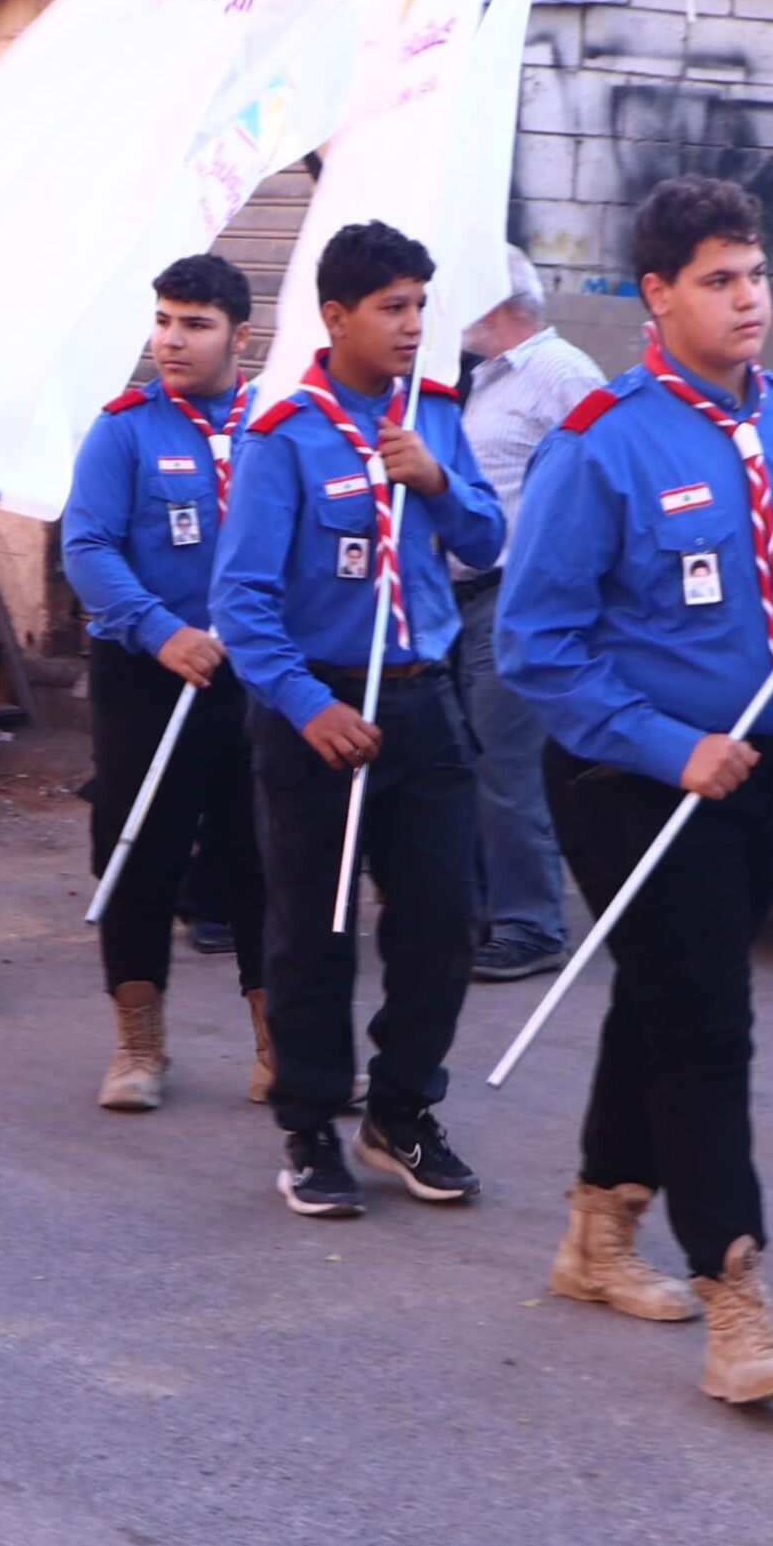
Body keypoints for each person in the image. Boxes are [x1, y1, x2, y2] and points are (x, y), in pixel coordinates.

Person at [501, 176, 773, 1404]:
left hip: (770, 774)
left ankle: (595, 1231)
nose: (748, 299)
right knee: (709, 1027)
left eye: (756, 274)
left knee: (666, 998)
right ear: (657, 294)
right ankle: (736, 1299)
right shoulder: (601, 442)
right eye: (718, 279)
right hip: (636, 782)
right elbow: (535, 646)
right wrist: (670, 746)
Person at [210, 219, 508, 1222]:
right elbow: (243, 602)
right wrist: (309, 706)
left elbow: (485, 539)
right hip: (319, 713)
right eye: (392, 307)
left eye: (420, 304)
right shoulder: (284, 435)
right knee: (316, 930)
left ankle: (401, 1110)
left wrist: (437, 481)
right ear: (335, 317)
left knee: (443, 919)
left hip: (422, 701)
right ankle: (308, 1126)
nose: (413, 324)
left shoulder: (433, 415)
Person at [62, 253, 273, 1112]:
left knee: (264, 858)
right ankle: (139, 1045)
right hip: (148, 676)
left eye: (195, 324)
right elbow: (87, 546)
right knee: (139, 854)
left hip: (257, 675)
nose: (172, 341)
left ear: (240, 336)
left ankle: (278, 1044)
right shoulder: (125, 430)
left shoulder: (276, 427)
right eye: (163, 321)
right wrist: (162, 632)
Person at [447, 245, 604, 981]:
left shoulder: (561, 372)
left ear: (496, 301)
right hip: (461, 598)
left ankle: (531, 924)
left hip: (515, 595)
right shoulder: (483, 379)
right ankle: (486, 908)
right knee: (467, 759)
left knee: (505, 764)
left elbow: (605, 478)